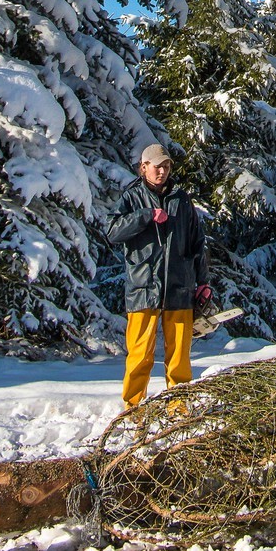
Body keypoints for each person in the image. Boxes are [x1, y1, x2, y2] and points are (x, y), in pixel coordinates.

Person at [105, 143, 212, 406]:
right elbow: (112, 231)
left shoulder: (182, 200)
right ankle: (132, 407)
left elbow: (198, 242)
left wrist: (203, 282)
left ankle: (179, 409)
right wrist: (145, 216)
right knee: (139, 355)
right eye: (156, 167)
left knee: (179, 359)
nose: (161, 171)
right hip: (143, 288)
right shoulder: (131, 198)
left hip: (180, 288)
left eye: (166, 166)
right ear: (144, 168)